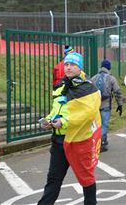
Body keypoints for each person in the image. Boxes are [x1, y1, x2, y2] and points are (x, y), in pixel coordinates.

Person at [38, 52, 101, 205]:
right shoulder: (60, 86)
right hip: (58, 140)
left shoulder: (88, 87)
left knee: (86, 178)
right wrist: (48, 120)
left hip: (78, 140)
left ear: (80, 67)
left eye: (73, 64)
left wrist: (64, 122)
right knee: (53, 179)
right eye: (66, 64)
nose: (68, 67)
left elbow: (87, 114)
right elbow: (56, 110)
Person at [91, 59, 123, 152]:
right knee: (104, 125)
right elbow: (117, 91)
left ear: (101, 67)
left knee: (97, 125)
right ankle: (102, 143)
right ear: (109, 68)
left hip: (95, 106)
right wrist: (120, 104)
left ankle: (98, 141)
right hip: (106, 105)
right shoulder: (111, 78)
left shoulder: (94, 78)